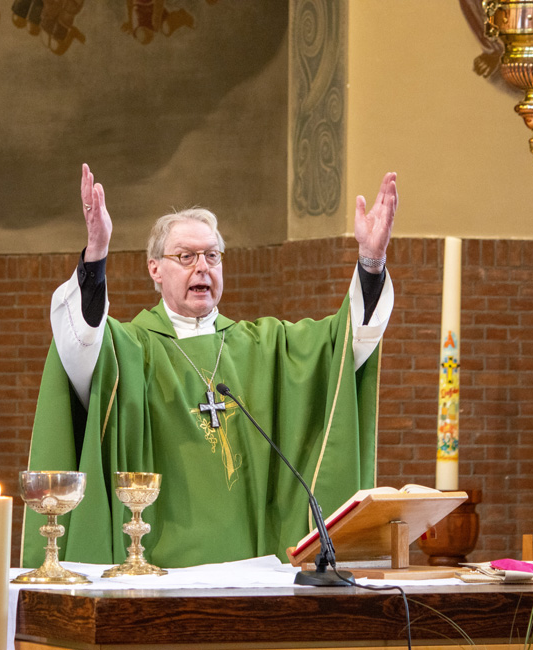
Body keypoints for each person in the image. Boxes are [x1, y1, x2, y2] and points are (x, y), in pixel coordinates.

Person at [21, 163, 396, 569]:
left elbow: (343, 346)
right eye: (186, 256)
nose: (202, 267)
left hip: (254, 566)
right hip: (156, 570)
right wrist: (95, 258)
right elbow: (78, 343)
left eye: (212, 256)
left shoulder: (264, 347)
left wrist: (371, 262)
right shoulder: (131, 348)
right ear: (155, 269)